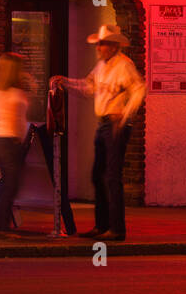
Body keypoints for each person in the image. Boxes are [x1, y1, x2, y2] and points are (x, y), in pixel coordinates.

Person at [51, 24, 146, 241]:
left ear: (113, 46)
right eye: (98, 44)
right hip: (103, 123)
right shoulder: (101, 66)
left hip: (115, 124)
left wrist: (125, 114)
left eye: (102, 44)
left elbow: (140, 88)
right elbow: (88, 87)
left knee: (112, 176)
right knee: (98, 175)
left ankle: (116, 228)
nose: (99, 48)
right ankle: (102, 225)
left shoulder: (124, 65)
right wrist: (65, 82)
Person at [0, 53, 30, 239]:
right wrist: (21, 141)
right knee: (11, 185)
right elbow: (20, 122)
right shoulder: (16, 94)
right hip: (8, 141)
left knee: (6, 184)